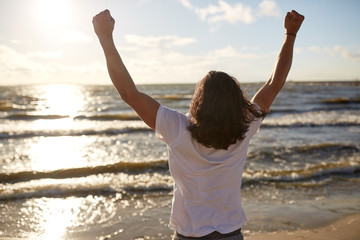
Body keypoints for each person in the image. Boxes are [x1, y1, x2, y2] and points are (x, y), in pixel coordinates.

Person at [93, 9, 304, 240]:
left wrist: (105, 38)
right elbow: (274, 83)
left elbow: (129, 94)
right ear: (235, 102)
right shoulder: (245, 126)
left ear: (198, 102)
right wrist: (290, 34)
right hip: (231, 234)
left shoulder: (176, 128)